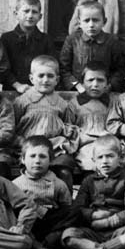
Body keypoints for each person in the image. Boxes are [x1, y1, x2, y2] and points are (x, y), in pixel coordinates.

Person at [62, 135, 125, 249]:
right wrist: (93, 215)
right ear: (93, 161)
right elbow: (78, 207)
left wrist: (108, 222)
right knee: (68, 235)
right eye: (100, 157)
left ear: (121, 158)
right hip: (94, 230)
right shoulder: (88, 181)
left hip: (119, 230)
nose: (105, 161)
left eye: (110, 156)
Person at [13, 56, 79, 191]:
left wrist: (67, 132)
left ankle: (66, 201)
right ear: (32, 78)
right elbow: (12, 127)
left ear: (57, 80)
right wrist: (21, 142)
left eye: (50, 76)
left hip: (55, 148)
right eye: (41, 76)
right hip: (29, 147)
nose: (45, 80)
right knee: (30, 170)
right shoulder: (22, 101)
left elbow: (67, 125)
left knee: (64, 169)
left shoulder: (62, 103)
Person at [12, 136, 73, 249]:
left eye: (43, 156)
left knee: (74, 214)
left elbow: (66, 207)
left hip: (50, 222)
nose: (37, 161)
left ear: (51, 160)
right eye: (32, 156)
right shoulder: (16, 185)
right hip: (29, 223)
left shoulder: (58, 183)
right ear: (23, 159)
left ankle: (45, 246)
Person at [60, 0, 125, 93]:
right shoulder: (72, 40)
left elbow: (119, 70)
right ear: (79, 22)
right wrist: (77, 86)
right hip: (78, 91)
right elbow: (64, 70)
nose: (91, 25)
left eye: (95, 20)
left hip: (105, 91)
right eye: (86, 21)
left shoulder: (112, 42)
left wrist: (109, 86)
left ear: (104, 21)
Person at [64, 62, 114, 176]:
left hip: (108, 143)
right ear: (82, 83)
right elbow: (68, 126)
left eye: (100, 80)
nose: (95, 84)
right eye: (90, 80)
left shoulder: (112, 102)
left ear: (107, 83)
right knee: (89, 161)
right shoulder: (75, 103)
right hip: (85, 144)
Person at [1, 0, 55, 93]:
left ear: (40, 17)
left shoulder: (46, 40)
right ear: (16, 14)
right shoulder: (6, 39)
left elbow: (51, 67)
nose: (30, 16)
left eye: (34, 12)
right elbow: (2, 67)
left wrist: (40, 86)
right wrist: (17, 85)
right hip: (12, 90)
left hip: (40, 90)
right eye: (26, 11)